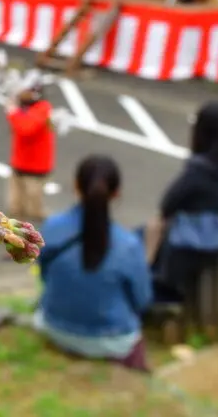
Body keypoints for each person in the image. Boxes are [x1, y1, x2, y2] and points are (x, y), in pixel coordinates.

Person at [35, 155, 152, 371]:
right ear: (116, 193)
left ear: (75, 186)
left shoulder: (51, 227)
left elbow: (44, 276)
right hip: (111, 340)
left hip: (54, 326)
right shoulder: (129, 245)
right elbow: (142, 300)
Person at [149, 102, 218, 304]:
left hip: (189, 250)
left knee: (148, 231)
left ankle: (157, 290)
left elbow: (167, 204)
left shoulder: (201, 169)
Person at [6, 85, 56, 224]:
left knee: (33, 205)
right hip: (19, 163)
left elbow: (26, 129)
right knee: (15, 205)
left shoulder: (43, 108)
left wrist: (13, 112)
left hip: (36, 167)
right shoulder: (23, 108)